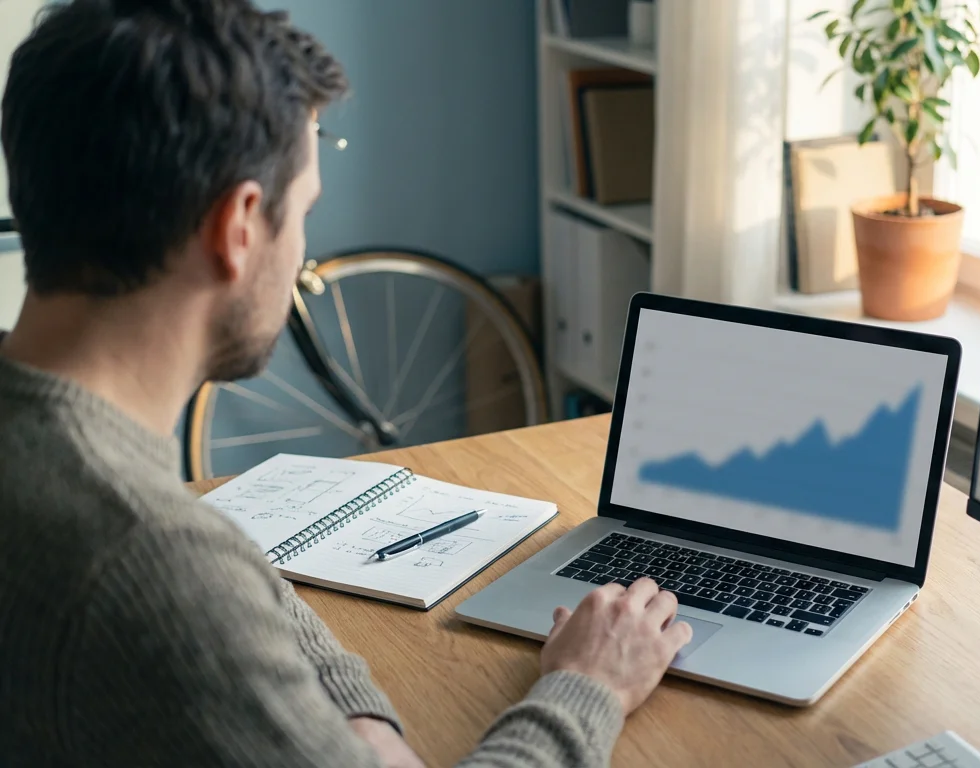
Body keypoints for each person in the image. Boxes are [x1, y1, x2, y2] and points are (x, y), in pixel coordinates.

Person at [0, 2, 690, 766]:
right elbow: (175, 575)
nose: (303, 248)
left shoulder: (68, 459)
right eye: (304, 212)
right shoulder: (146, 558)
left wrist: (356, 727)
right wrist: (589, 683)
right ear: (238, 228)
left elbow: (207, 579)